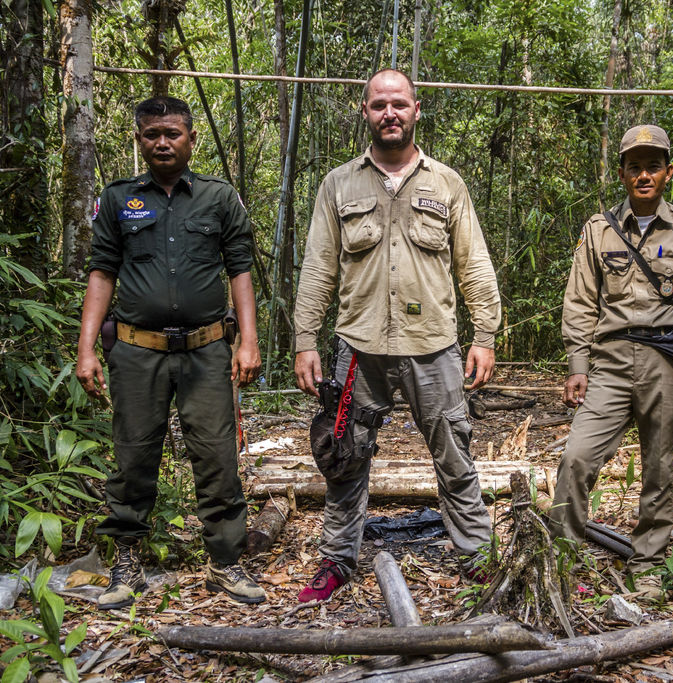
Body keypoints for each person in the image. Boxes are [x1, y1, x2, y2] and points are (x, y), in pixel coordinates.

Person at [292, 69, 502, 602]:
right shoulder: (338, 185)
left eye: (399, 104)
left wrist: (486, 334)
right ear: (364, 111)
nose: (390, 113)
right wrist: (305, 340)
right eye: (379, 104)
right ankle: (338, 559)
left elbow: (472, 263)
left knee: (455, 455)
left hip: (433, 346)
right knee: (345, 457)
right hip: (358, 349)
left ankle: (477, 556)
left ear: (415, 110)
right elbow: (318, 267)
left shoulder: (446, 183)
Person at [76, 96, 265, 609]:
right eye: (152, 134)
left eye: (173, 134)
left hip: (207, 350)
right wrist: (86, 347)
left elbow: (240, 269)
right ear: (140, 140)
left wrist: (247, 341)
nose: (162, 142)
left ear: (191, 139)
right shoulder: (118, 199)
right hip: (137, 352)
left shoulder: (219, 198)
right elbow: (102, 271)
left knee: (216, 455)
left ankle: (226, 562)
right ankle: (127, 562)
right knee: (134, 455)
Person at [548, 124, 673, 599]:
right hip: (609, 362)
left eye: (653, 166)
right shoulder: (599, 230)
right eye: (635, 167)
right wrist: (577, 365)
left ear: (668, 172)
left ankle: (647, 564)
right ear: (623, 174)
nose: (644, 174)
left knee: (659, 467)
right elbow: (581, 302)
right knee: (576, 457)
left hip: (667, 363)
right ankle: (562, 560)